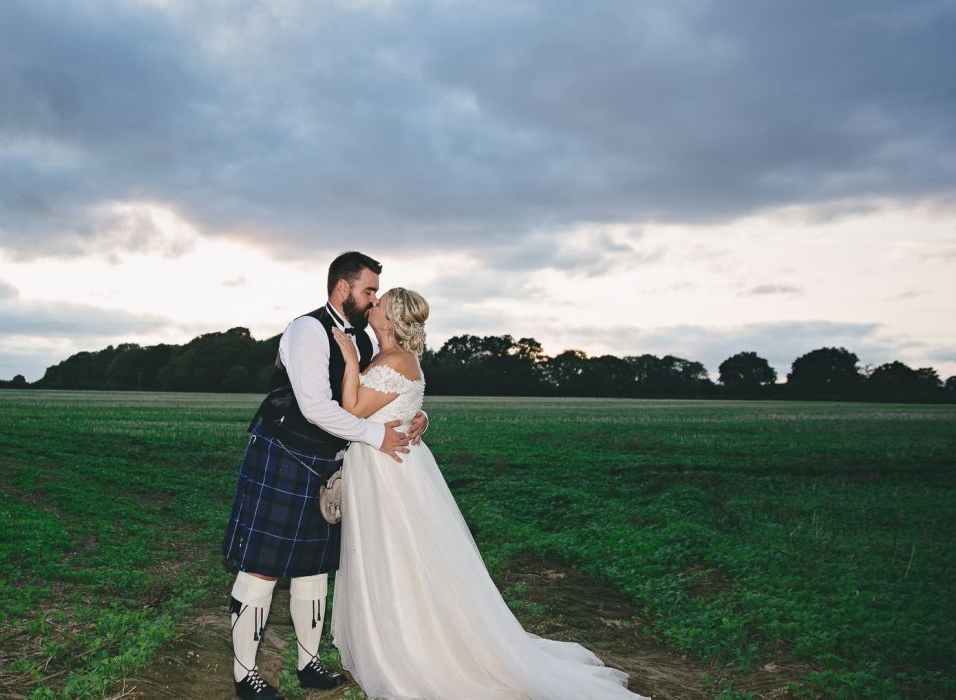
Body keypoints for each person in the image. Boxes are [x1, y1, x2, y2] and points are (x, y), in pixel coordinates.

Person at [328, 288, 649, 700]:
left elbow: (352, 410)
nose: (370, 304)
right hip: (388, 467)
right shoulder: (393, 359)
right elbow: (396, 404)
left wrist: (351, 362)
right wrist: (417, 413)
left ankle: (411, 646)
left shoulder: (392, 361)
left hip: (388, 474)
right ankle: (397, 634)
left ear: (389, 320)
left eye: (379, 301)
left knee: (399, 554)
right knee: (397, 554)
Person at [221, 252, 431, 700]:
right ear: (343, 288)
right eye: (369, 290)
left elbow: (384, 391)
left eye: (376, 292)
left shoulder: (368, 341)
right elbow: (317, 408)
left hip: (331, 466)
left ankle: (309, 663)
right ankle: (245, 675)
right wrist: (376, 436)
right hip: (284, 454)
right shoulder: (307, 331)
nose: (373, 298)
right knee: (262, 568)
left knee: (315, 569)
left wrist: (417, 414)